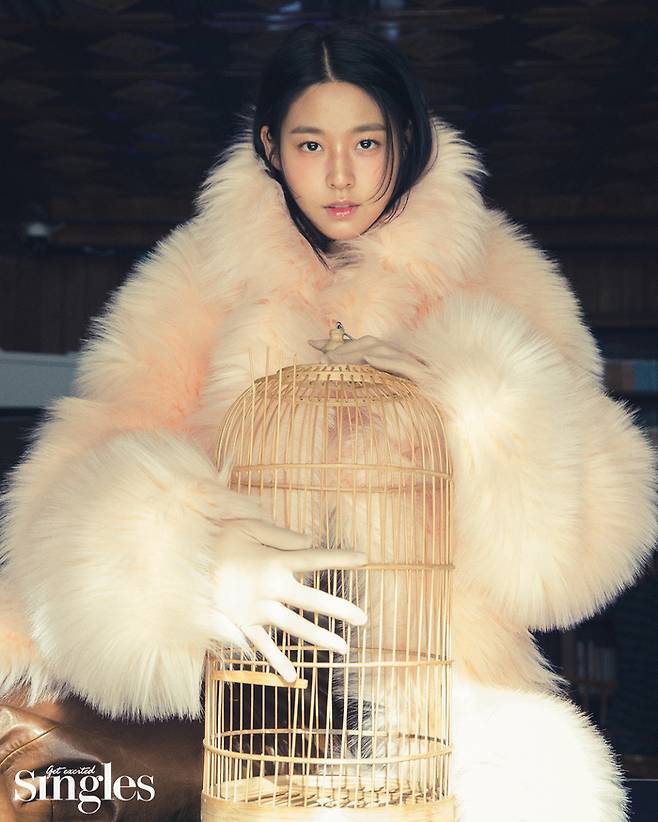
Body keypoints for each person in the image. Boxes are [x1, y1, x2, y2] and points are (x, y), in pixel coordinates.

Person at [1, 22, 655, 822]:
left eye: (366, 142)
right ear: (270, 147)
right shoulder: (197, 282)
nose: (341, 174)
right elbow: (63, 506)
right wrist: (187, 563)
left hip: (445, 708)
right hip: (243, 707)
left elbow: (590, 539)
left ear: (404, 138)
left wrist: (475, 402)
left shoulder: (496, 275)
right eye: (311, 145)